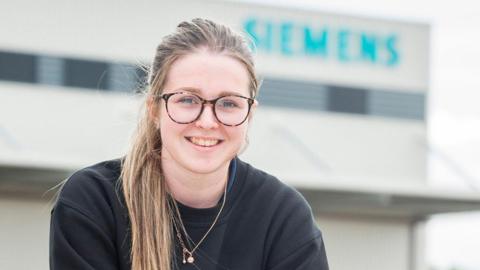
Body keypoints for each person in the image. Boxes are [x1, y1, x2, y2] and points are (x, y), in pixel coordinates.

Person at [49, 18, 329, 270]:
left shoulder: (282, 217)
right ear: (154, 109)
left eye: (229, 103)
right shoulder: (94, 202)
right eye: (187, 99)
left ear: (249, 114)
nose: (207, 121)